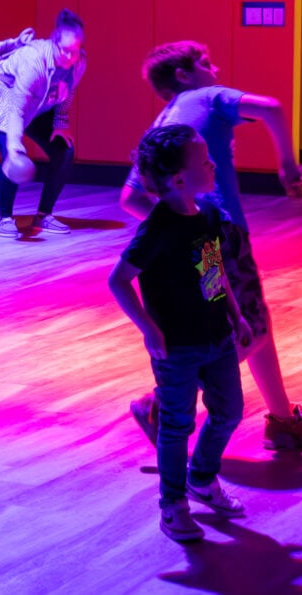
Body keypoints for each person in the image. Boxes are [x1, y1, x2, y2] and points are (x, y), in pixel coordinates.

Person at [120, 40, 302, 451]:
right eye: (205, 62)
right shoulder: (206, 97)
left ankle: (283, 421)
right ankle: (161, 404)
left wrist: (178, 228)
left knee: (254, 322)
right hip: (222, 237)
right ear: (184, 75)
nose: (215, 67)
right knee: (249, 327)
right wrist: (288, 164)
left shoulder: (162, 126)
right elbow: (272, 107)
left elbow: (130, 198)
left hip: (202, 240)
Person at [108, 124, 251, 542]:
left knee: (229, 411)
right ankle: (173, 504)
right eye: (204, 160)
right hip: (176, 347)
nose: (212, 165)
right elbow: (119, 280)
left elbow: (211, 268)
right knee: (176, 425)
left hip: (217, 336)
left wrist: (236, 313)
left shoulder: (205, 215)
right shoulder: (157, 229)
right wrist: (148, 329)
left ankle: (202, 478)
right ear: (178, 180)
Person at [0, 8, 87, 238]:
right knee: (13, 155)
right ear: (53, 43)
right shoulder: (34, 61)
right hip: (3, 100)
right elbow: (17, 107)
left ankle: (44, 215)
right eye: (65, 51)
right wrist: (14, 144)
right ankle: (5, 219)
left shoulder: (79, 62)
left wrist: (60, 123)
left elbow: (67, 93)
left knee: (64, 151)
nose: (69, 57)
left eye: (74, 52)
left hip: (37, 107)